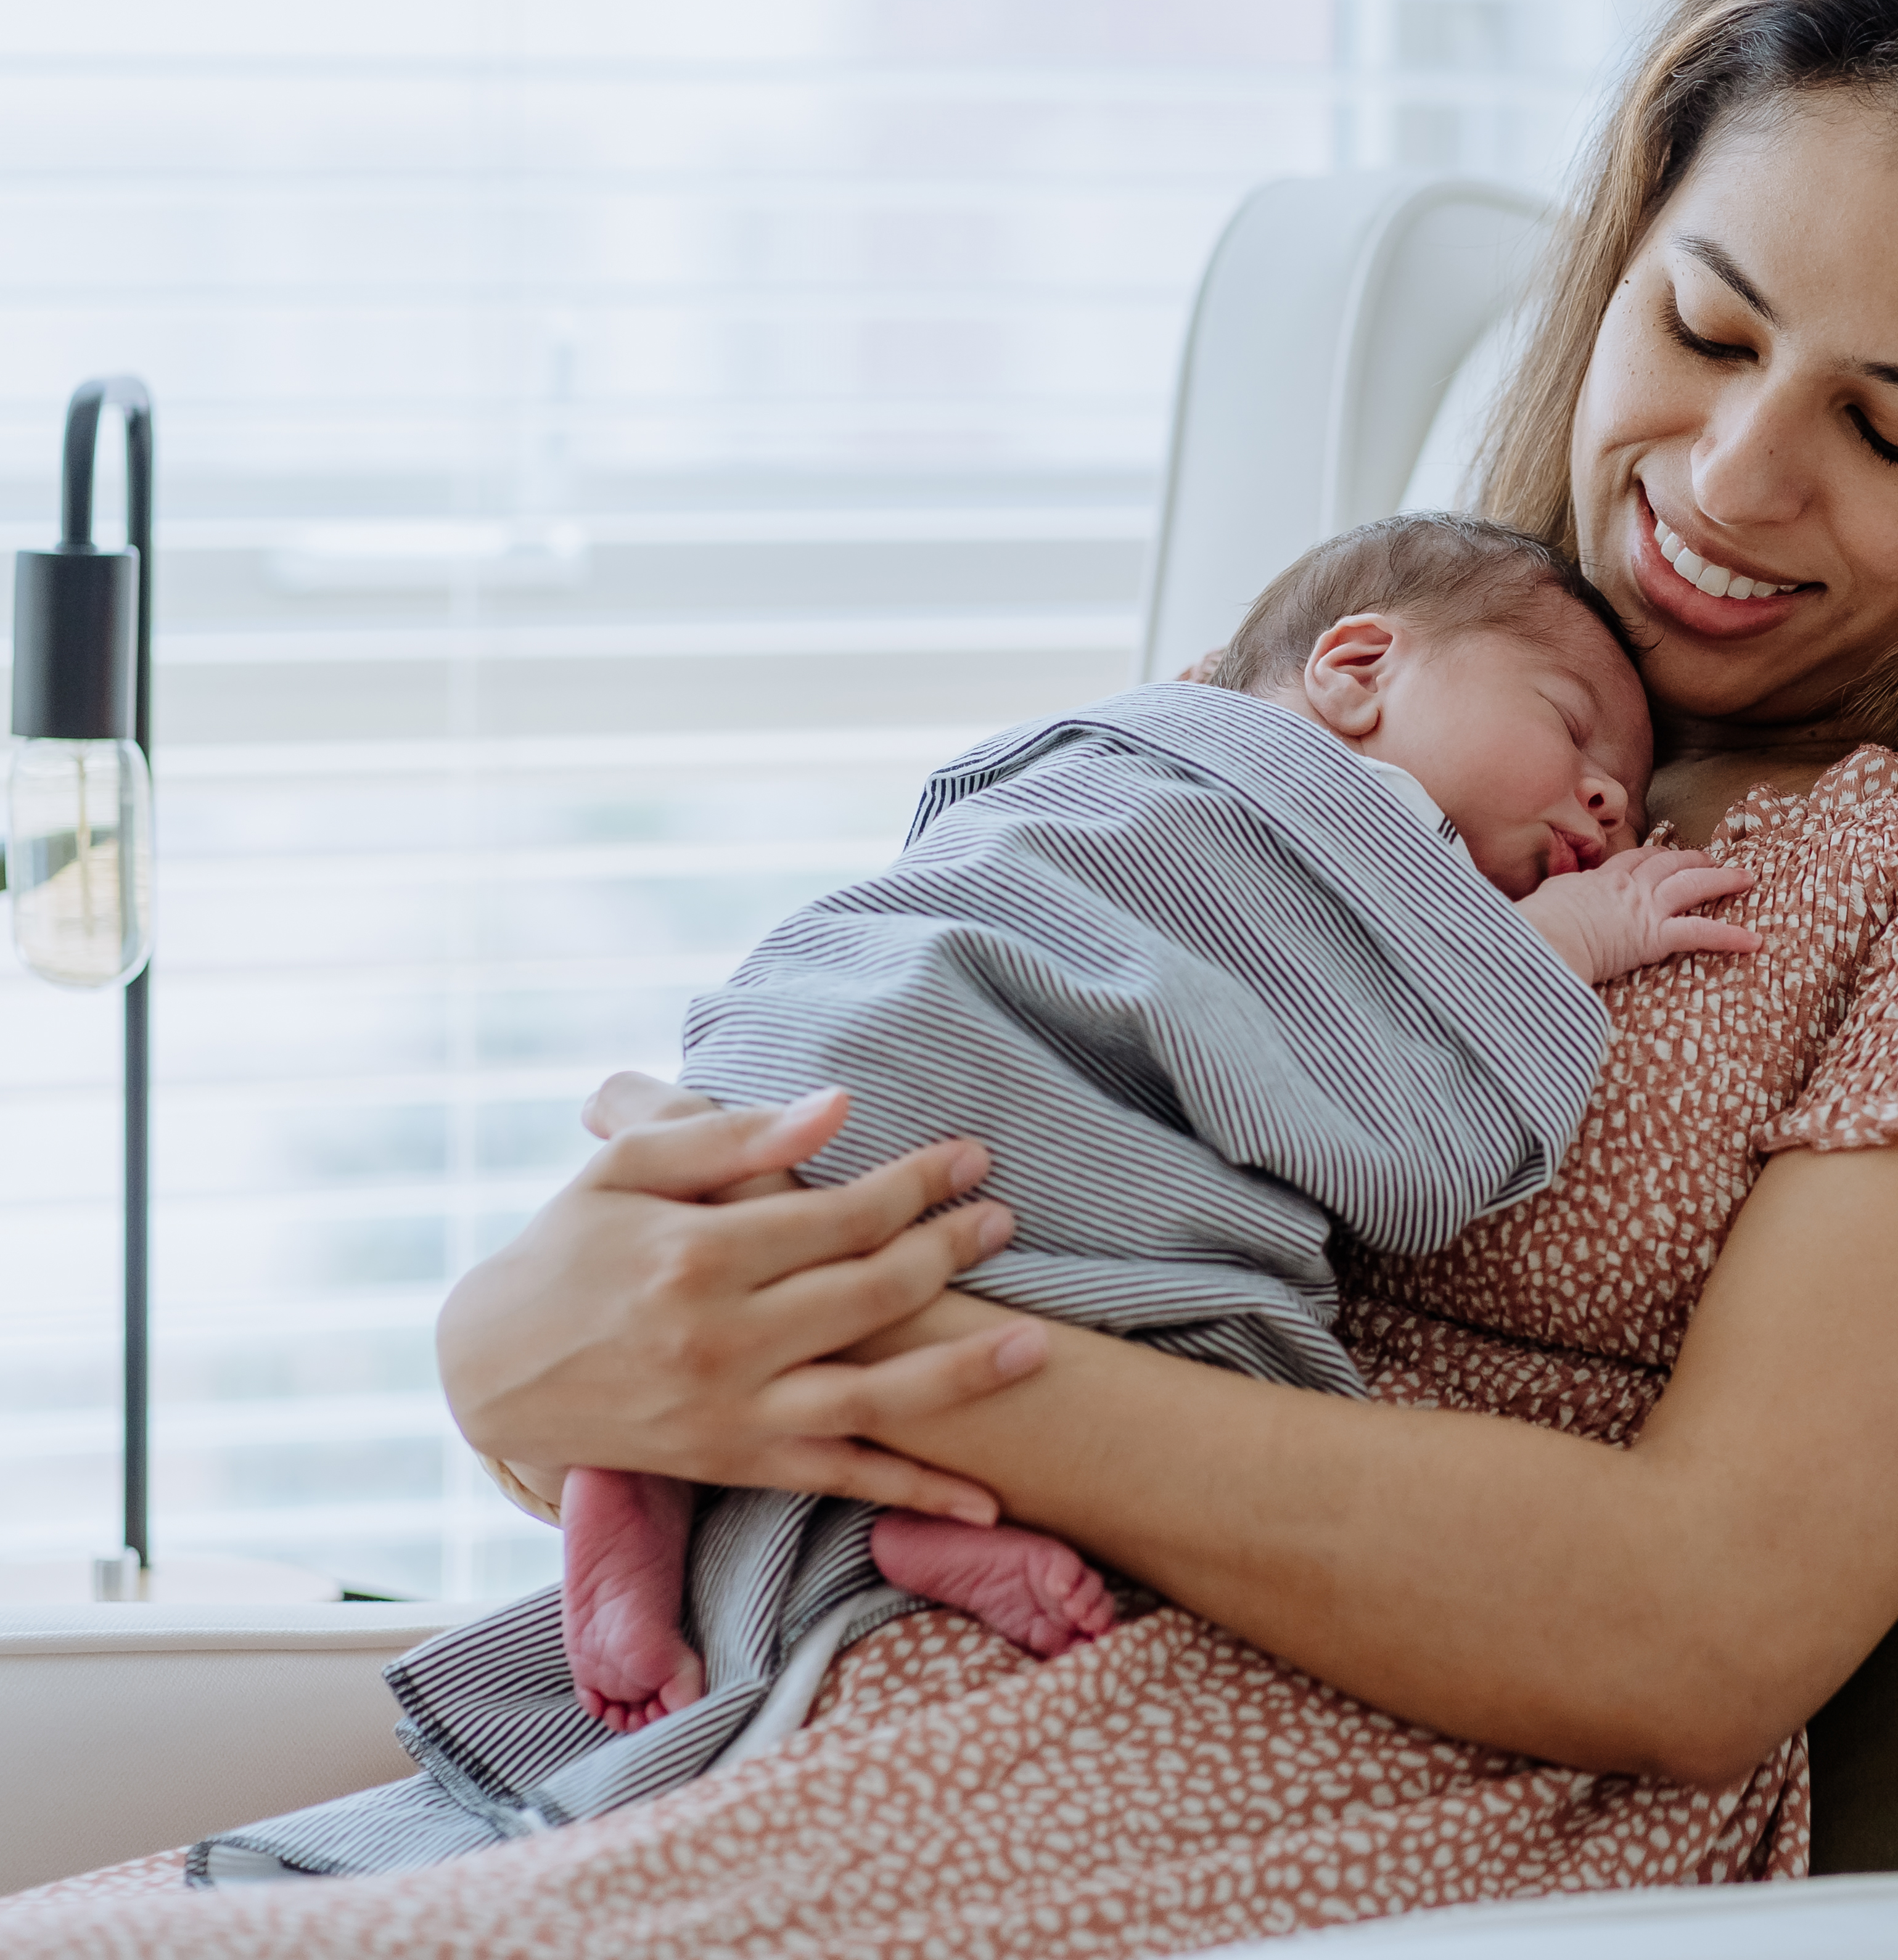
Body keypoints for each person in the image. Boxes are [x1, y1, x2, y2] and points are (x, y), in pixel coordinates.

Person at [0, 0, 1898, 1960]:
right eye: (1700, 326)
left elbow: (1701, 1616)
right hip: (801, 1670)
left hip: (1349, 1791)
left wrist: (923, 1362)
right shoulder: (1414, 678)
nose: (1730, 476)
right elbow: (926, 1080)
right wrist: (540, 1330)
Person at [520, 515, 1756, 1763]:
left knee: (1003, 1359)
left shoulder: (1123, 749)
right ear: (1355, 668)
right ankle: (845, 1507)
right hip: (973, 1068)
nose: (1609, 793)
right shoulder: (1318, 811)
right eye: (1570, 725)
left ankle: (671, 1489)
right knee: (1218, 1368)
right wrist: (1567, 943)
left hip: (809, 1060)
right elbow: (1400, 1105)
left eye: (1633, 793)